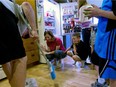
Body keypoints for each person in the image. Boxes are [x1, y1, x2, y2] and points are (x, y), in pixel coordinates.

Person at [0, 0, 38, 87]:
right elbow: (26, 5)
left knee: (5, 60)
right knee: (20, 58)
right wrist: (34, 29)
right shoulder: (24, 21)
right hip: (3, 11)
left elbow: (5, 61)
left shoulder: (18, 30)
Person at [84, 0, 116, 87]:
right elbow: (109, 15)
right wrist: (97, 13)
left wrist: (99, 12)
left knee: (113, 77)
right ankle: (101, 82)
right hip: (103, 38)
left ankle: (102, 82)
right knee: (96, 61)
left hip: (110, 41)